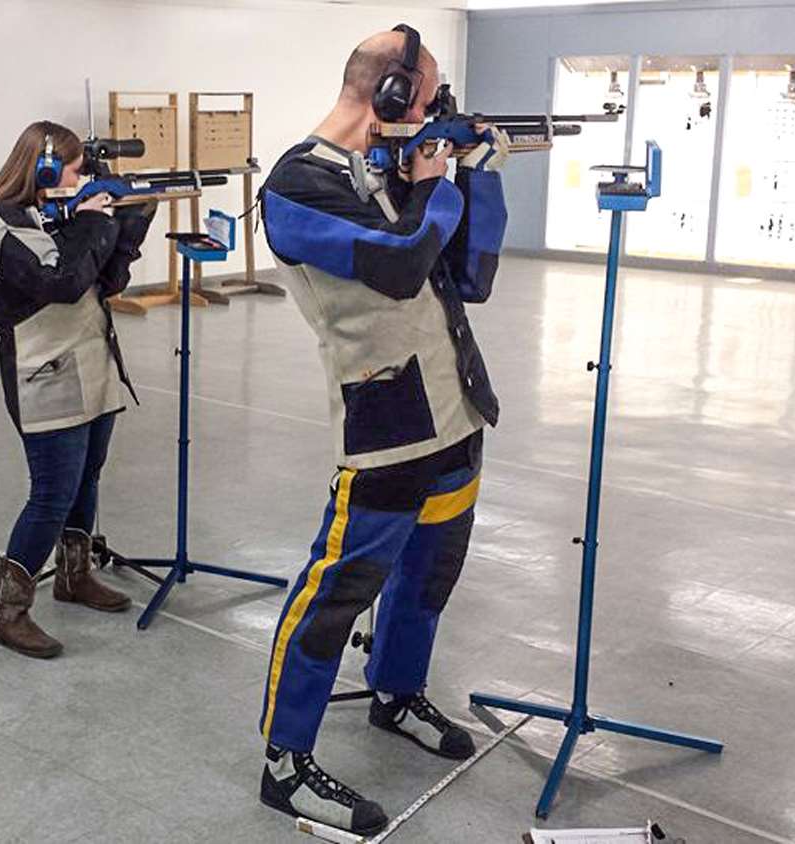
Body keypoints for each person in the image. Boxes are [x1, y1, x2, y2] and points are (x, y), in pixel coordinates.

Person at [254, 25, 510, 834]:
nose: (432, 112)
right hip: (387, 421)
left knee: (429, 576)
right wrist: (435, 184)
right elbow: (400, 265)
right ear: (391, 93)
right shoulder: (294, 188)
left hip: (455, 408)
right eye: (427, 97)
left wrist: (477, 177)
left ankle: (396, 694)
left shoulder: (396, 168)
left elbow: (470, 275)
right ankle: (284, 760)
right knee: (337, 592)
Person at [0, 121, 156, 659]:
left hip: (93, 357)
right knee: (51, 493)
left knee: (87, 476)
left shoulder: (56, 213)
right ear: (41, 168)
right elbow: (60, 282)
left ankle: (74, 575)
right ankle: (9, 611)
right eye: (72, 167)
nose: (80, 175)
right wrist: (93, 221)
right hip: (44, 369)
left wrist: (128, 223)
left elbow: (104, 281)